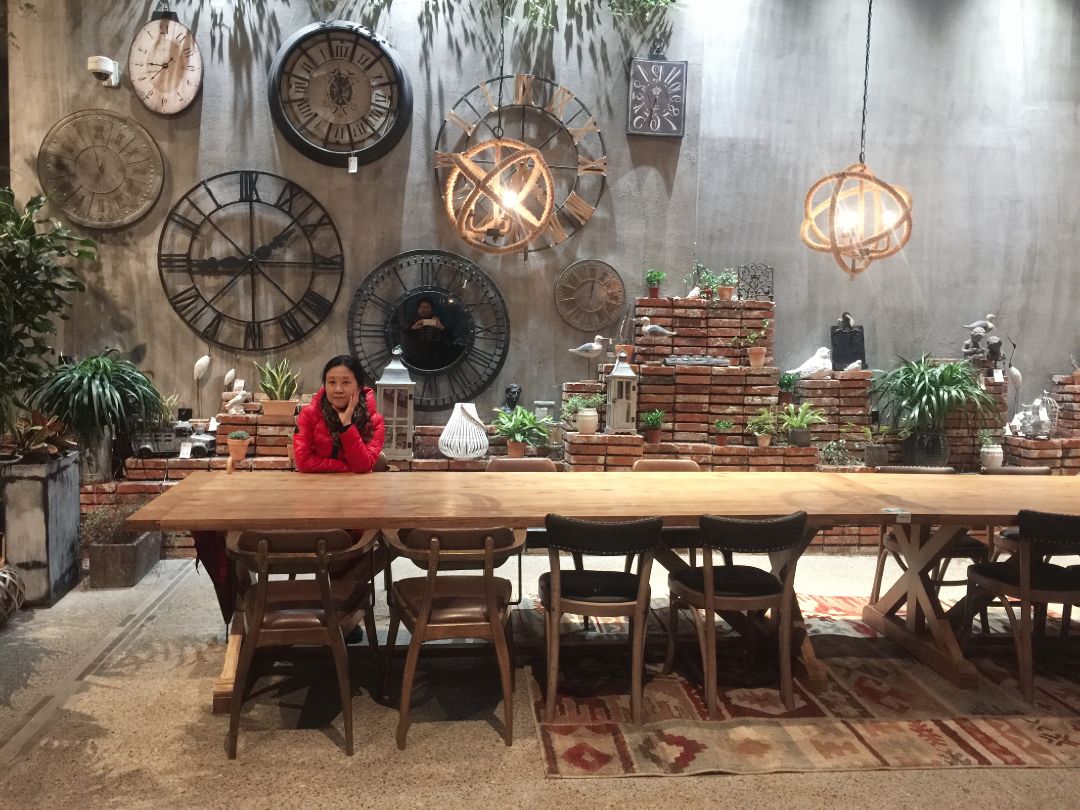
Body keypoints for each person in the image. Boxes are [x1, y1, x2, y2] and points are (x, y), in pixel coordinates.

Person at [294, 355, 385, 474]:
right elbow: (304, 462)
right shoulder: (309, 415)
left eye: (345, 382)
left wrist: (347, 425)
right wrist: (348, 467)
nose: (338, 389)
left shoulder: (374, 422)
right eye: (332, 382)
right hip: (315, 483)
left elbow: (362, 467)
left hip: (357, 485)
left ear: (359, 387)